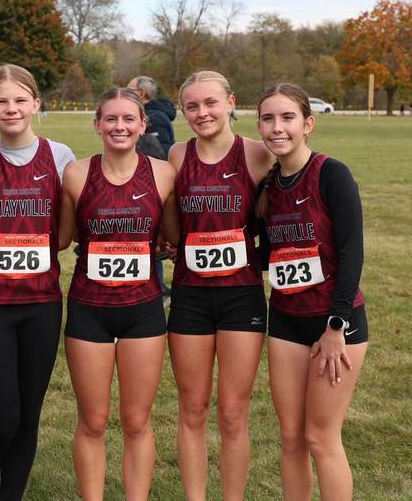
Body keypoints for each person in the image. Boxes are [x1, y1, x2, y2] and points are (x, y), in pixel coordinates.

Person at [58, 87, 179, 501]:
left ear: (143, 124)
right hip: (89, 308)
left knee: (136, 422)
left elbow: (174, 236)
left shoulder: (163, 174)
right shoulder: (76, 174)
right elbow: (63, 238)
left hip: (142, 310)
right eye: (110, 118)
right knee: (93, 421)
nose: (119, 126)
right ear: (97, 125)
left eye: (129, 118)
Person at [0, 64, 75, 501]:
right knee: (4, 415)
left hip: (41, 302)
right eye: (1, 100)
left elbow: (70, 229)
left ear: (36, 104)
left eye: (20, 100)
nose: (11, 108)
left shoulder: (61, 156)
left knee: (29, 415)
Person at [166, 71, 275, 501]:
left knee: (232, 414)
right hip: (190, 296)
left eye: (210, 103)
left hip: (241, 297)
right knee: (192, 409)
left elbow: (281, 213)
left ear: (230, 102)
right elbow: (170, 223)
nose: (202, 113)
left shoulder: (258, 154)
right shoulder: (177, 155)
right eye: (192, 106)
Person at [257, 83, 368, 501]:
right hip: (286, 321)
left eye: (287, 118)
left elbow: (352, 252)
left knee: (320, 437)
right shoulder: (269, 185)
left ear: (308, 124)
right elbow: (265, 255)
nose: (277, 127)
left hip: (334, 324)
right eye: (268, 118)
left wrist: (336, 326)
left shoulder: (331, 173)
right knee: (291, 437)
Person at [127, 76, 176, 303]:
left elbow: (161, 152)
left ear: (142, 94)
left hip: (150, 185)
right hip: (136, 182)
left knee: (151, 238)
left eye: (129, 89)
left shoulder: (156, 118)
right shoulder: (149, 113)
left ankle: (158, 290)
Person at [127, 76, 176, 157]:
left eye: (129, 91)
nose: (125, 94)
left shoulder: (155, 118)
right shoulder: (146, 114)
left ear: (141, 93)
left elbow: (160, 154)